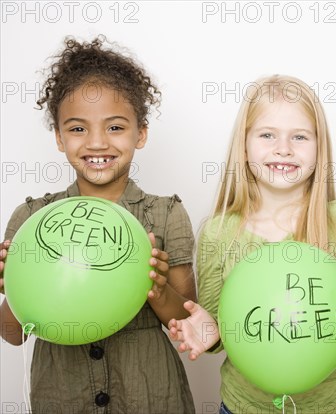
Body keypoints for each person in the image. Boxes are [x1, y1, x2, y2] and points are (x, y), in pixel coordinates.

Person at [0, 36, 196, 413]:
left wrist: (157, 290)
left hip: (150, 396)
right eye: (77, 129)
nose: (96, 142)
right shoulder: (31, 220)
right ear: (58, 137)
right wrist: (15, 293)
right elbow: (12, 335)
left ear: (141, 133)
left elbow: (192, 324)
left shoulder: (165, 214)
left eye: (115, 127)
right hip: (62, 397)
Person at [168, 74, 336, 413]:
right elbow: (220, 337)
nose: (284, 149)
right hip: (241, 407)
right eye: (267, 135)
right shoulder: (219, 233)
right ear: (245, 144)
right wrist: (208, 333)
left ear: (319, 146)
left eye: (300, 136)